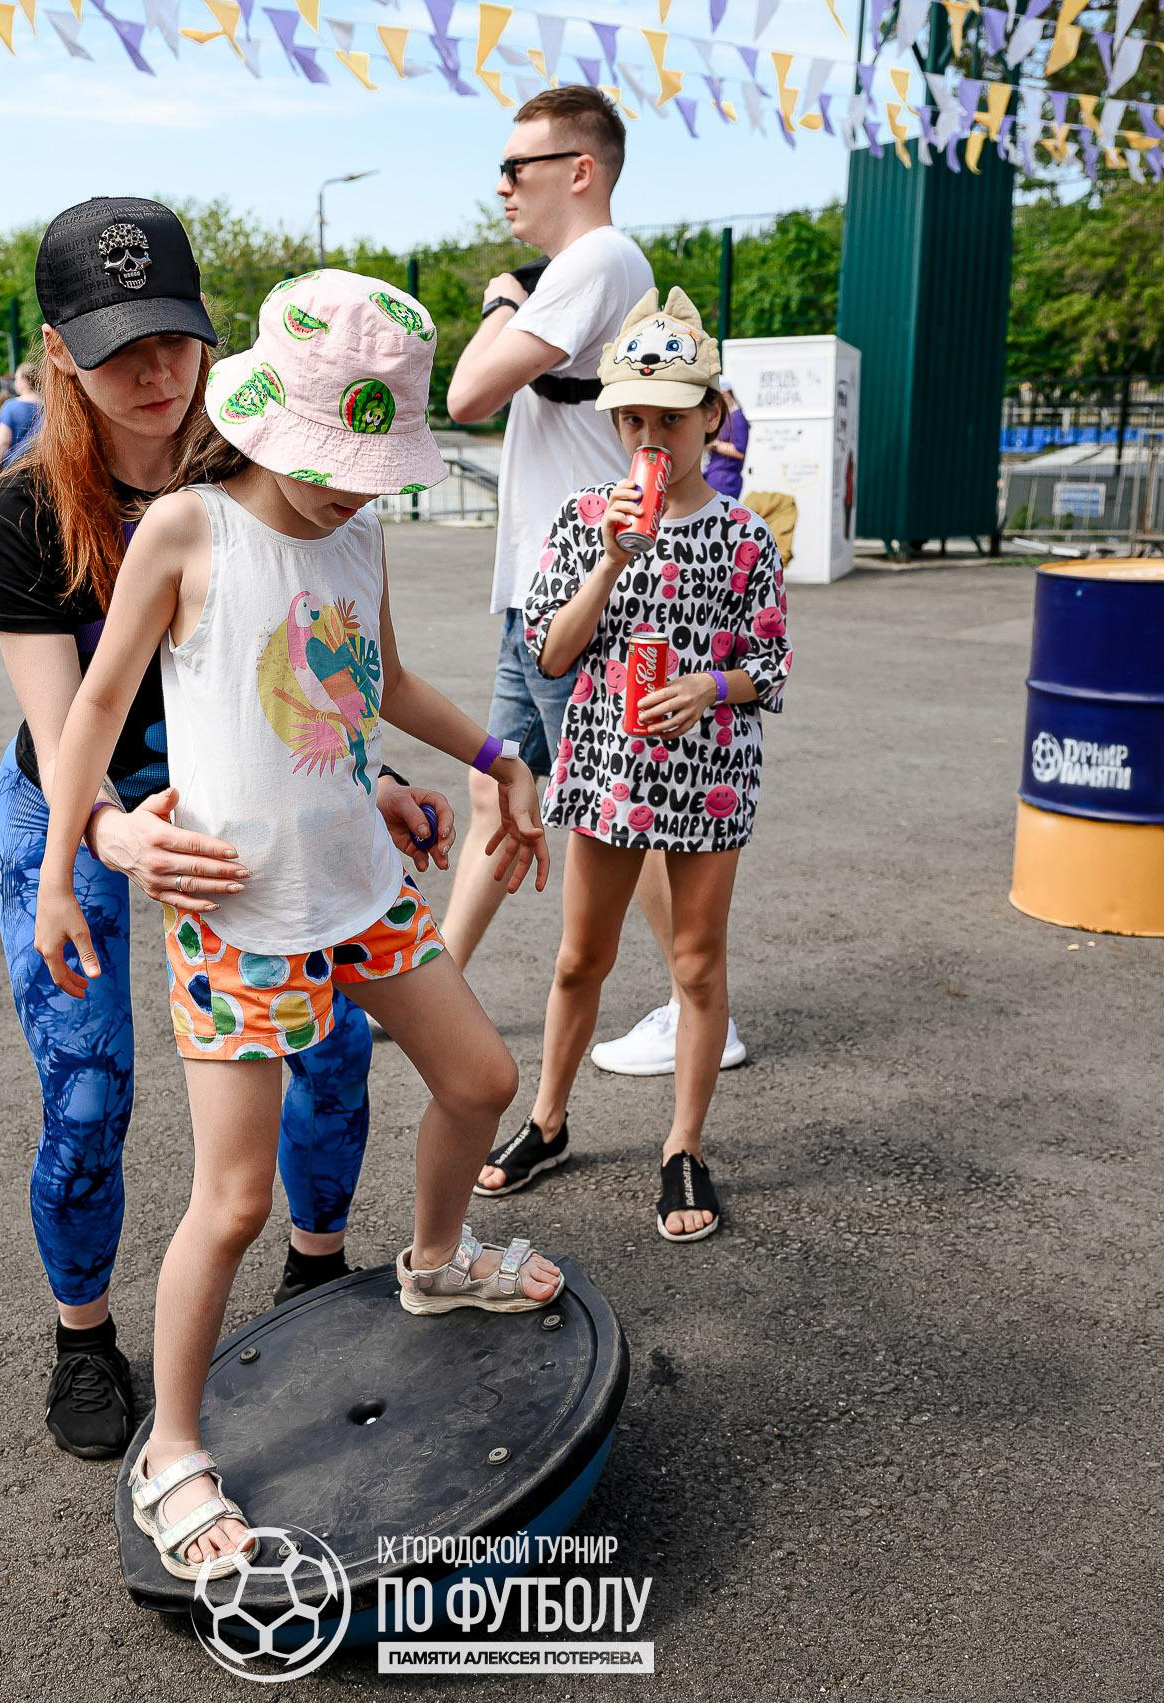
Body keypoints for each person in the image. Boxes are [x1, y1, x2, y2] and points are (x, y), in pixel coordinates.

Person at [33, 268, 561, 1580]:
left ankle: (433, 1260)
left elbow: (378, 682)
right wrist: (63, 865)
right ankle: (174, 1446)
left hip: (365, 884)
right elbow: (92, 711)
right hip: (238, 913)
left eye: (372, 466)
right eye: (335, 460)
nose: (349, 486)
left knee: (483, 1077)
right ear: (264, 418)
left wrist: (498, 756)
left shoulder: (359, 530)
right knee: (233, 1197)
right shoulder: (189, 527)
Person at [0, 199, 455, 1461]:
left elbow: (310, 656)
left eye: (175, 339)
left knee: (334, 1048)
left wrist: (374, 777)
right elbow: (64, 711)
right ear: (56, 349)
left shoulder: (273, 456)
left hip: (248, 799)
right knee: (87, 1090)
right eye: (115, 344)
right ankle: (85, 1332)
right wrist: (105, 841)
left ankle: (316, 1272)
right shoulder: (29, 507)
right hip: (81, 796)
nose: (153, 371)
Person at [444, 84, 740, 1081]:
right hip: (541, 579)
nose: (498, 189)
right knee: (497, 789)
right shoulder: (586, 270)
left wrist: (499, 297)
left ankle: (693, 1001)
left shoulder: (596, 259)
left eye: (514, 169)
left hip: (587, 586)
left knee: (626, 807)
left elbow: (468, 392)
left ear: (579, 169)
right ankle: (437, 981)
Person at [493, 288, 791, 1241]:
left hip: (709, 774)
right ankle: (546, 1120)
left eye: (672, 416)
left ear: (714, 412)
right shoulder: (585, 519)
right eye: (633, 418)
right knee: (582, 955)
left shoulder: (747, 534)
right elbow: (549, 651)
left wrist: (711, 686)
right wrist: (613, 559)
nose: (650, 436)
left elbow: (770, 665)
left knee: (697, 964)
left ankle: (684, 1146)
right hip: (610, 765)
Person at [703, 375, 750, 501]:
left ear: (725, 393)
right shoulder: (725, 417)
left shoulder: (737, 418)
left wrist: (713, 443)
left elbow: (739, 452)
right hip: (713, 475)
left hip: (725, 480)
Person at [0, 360, 42, 470]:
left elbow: (2, 442)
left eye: (16, 378)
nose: (15, 383)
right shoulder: (48, 405)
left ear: (24, 380)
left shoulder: (10, 406)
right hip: (44, 466)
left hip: (16, 470)